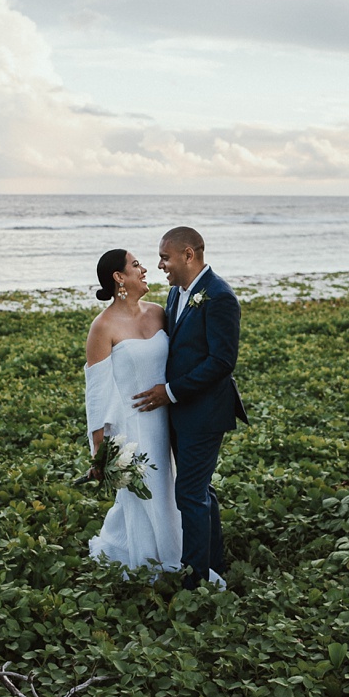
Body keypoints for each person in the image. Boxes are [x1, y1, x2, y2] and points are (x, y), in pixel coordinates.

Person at [134, 227, 247, 589]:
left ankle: (195, 580)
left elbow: (221, 361)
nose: (160, 264)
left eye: (165, 257)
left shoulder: (219, 296)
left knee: (190, 494)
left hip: (204, 412)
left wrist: (170, 392)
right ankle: (213, 564)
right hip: (182, 412)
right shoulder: (176, 293)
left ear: (188, 254)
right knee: (201, 490)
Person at [83, 248, 183, 572]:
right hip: (133, 427)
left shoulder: (159, 312)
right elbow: (96, 393)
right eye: (136, 264)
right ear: (119, 277)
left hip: (168, 420)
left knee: (169, 493)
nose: (145, 269)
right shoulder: (103, 327)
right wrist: (99, 450)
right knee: (142, 496)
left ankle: (178, 552)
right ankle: (152, 563)